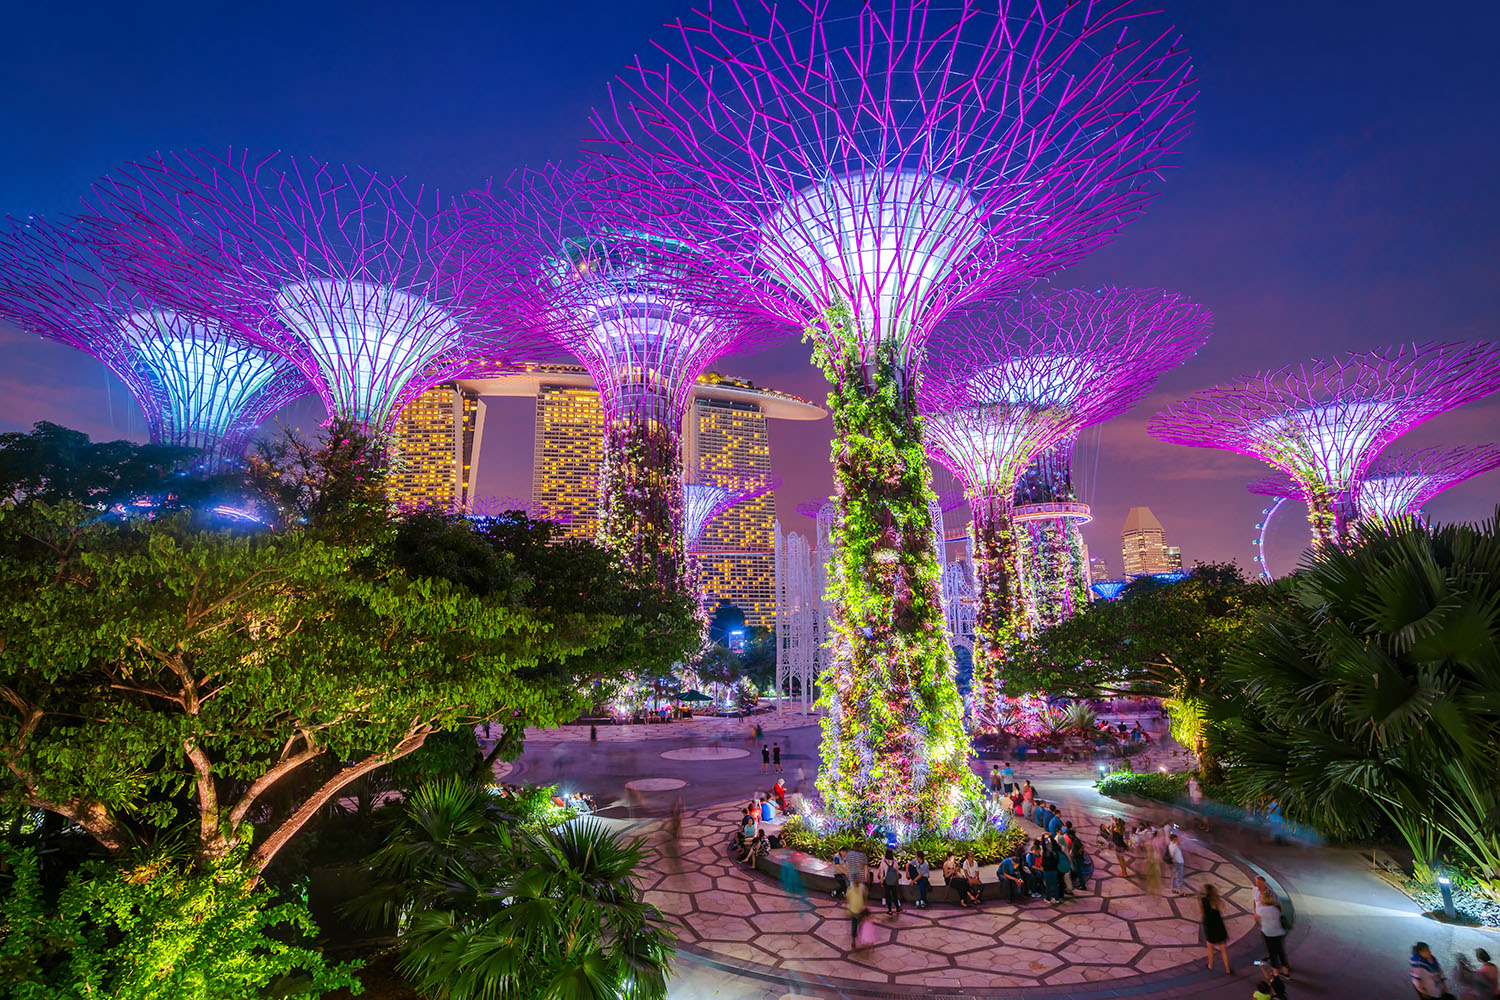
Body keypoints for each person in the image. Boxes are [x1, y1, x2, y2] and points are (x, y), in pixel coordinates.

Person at [1255, 887, 1291, 978]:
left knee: (1272, 953)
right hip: (1279, 933)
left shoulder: (1261, 909)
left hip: (1268, 933)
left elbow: (1257, 919)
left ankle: (1275, 974)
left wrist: (1260, 927)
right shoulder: (1276, 908)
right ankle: (1286, 973)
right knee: (1281, 952)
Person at [1200, 884, 1231, 974]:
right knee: (1223, 949)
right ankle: (1227, 969)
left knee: (1210, 947)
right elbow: (1223, 908)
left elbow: (1202, 912)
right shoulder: (1217, 901)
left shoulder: (1203, 901)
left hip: (1209, 925)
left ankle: (1210, 965)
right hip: (1218, 925)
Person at [876, 850, 903, 915]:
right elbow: (897, 871)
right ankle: (897, 909)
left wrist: (881, 882)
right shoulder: (895, 860)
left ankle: (890, 911)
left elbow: (882, 873)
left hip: (886, 881)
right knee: (895, 895)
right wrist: (897, 880)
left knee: (888, 896)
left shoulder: (883, 861)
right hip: (894, 881)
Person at [1041, 836, 1063, 903]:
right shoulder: (1056, 854)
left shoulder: (1045, 854)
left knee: (1048, 885)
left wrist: (1043, 837)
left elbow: (1044, 846)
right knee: (1055, 884)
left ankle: (1048, 899)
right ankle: (1057, 899)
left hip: (1047, 871)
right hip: (1054, 870)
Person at [847, 881, 868, 950]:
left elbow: (865, 896)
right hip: (854, 911)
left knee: (861, 925)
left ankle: (861, 938)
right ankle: (853, 942)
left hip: (860, 910)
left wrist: (865, 905)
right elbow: (848, 899)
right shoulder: (850, 889)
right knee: (854, 926)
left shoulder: (862, 887)